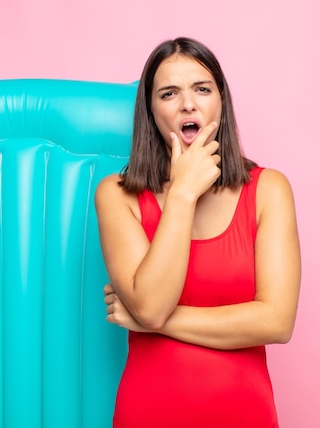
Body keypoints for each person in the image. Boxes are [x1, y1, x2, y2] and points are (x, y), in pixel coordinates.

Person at [95, 37, 301, 427]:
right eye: (169, 93)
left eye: (202, 89)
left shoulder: (268, 190)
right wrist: (184, 193)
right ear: (151, 111)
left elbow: (277, 321)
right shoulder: (116, 195)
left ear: (221, 101)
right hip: (148, 414)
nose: (188, 103)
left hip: (245, 415)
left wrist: (154, 322)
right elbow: (152, 305)